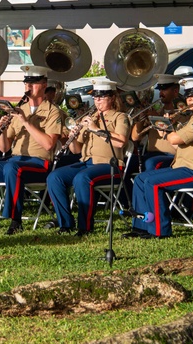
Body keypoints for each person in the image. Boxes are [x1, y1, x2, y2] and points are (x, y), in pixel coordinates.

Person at [0, 65, 63, 234]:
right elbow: (4, 148)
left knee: (13, 168)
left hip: (39, 163)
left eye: (33, 83)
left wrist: (26, 122)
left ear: (44, 84)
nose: (28, 87)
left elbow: (49, 144)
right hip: (15, 160)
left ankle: (15, 220)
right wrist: (2, 129)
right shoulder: (20, 110)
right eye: (26, 83)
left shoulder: (53, 112)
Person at [126, 77, 193, 239]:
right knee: (140, 179)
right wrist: (166, 130)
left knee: (153, 183)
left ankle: (160, 230)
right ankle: (141, 226)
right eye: (188, 95)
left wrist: (166, 129)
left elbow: (175, 139)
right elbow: (178, 145)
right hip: (183, 166)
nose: (189, 98)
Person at [46, 78, 130, 236]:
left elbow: (120, 142)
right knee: (54, 177)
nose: (97, 101)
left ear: (112, 98)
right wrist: (73, 135)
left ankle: (85, 227)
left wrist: (95, 129)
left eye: (101, 97)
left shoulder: (120, 117)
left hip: (110, 165)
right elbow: (76, 149)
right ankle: (65, 223)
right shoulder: (90, 118)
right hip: (86, 162)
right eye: (95, 97)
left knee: (82, 178)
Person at [132, 74, 184, 171]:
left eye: (164, 89)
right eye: (159, 89)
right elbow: (135, 137)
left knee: (150, 163)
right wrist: (140, 119)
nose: (160, 93)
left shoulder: (182, 115)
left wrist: (158, 118)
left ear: (175, 91)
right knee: (131, 161)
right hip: (151, 154)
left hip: (170, 155)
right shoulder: (156, 112)